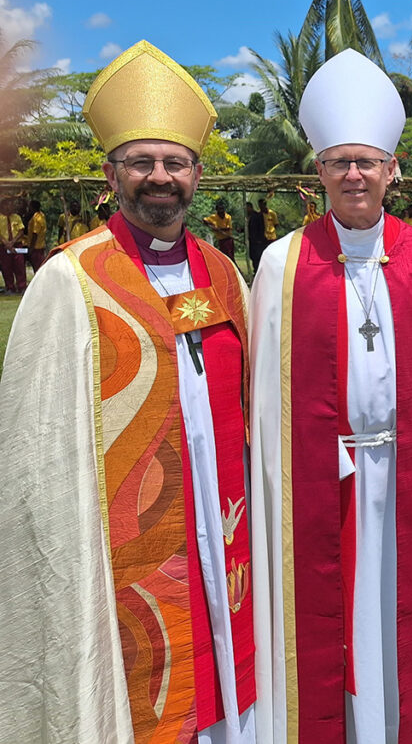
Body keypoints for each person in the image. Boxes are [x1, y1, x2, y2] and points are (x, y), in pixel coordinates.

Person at [0, 40, 257, 742]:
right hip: (131, 549)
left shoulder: (223, 273)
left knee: (229, 696)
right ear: (111, 174)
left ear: (198, 173)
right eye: (141, 162)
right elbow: (36, 452)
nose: (159, 177)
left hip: (223, 522)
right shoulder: (70, 280)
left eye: (174, 163)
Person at [248, 48, 412, 742]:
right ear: (318, 173)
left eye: (367, 161)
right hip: (322, 481)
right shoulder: (282, 262)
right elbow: (267, 403)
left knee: (405, 609)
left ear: (393, 170)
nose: (354, 174)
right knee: (333, 612)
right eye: (339, 162)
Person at [0, 196, 28, 293]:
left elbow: (21, 231)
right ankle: (10, 287)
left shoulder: (16, 217)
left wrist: (12, 242)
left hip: (17, 245)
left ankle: (22, 287)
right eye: (8, 205)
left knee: (19, 266)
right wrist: (6, 243)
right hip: (4, 246)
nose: (10, 207)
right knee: (6, 267)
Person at [24, 198, 47, 272]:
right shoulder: (41, 215)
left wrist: (31, 248)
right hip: (40, 247)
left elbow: (35, 234)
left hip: (36, 248)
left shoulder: (37, 218)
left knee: (38, 269)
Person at [246, 201, 268, 273]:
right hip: (252, 241)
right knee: (253, 257)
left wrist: (260, 239)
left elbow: (261, 227)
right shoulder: (248, 217)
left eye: (247, 208)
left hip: (258, 241)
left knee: (258, 257)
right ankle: (256, 271)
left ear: (250, 207)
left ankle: (259, 272)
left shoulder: (257, 216)